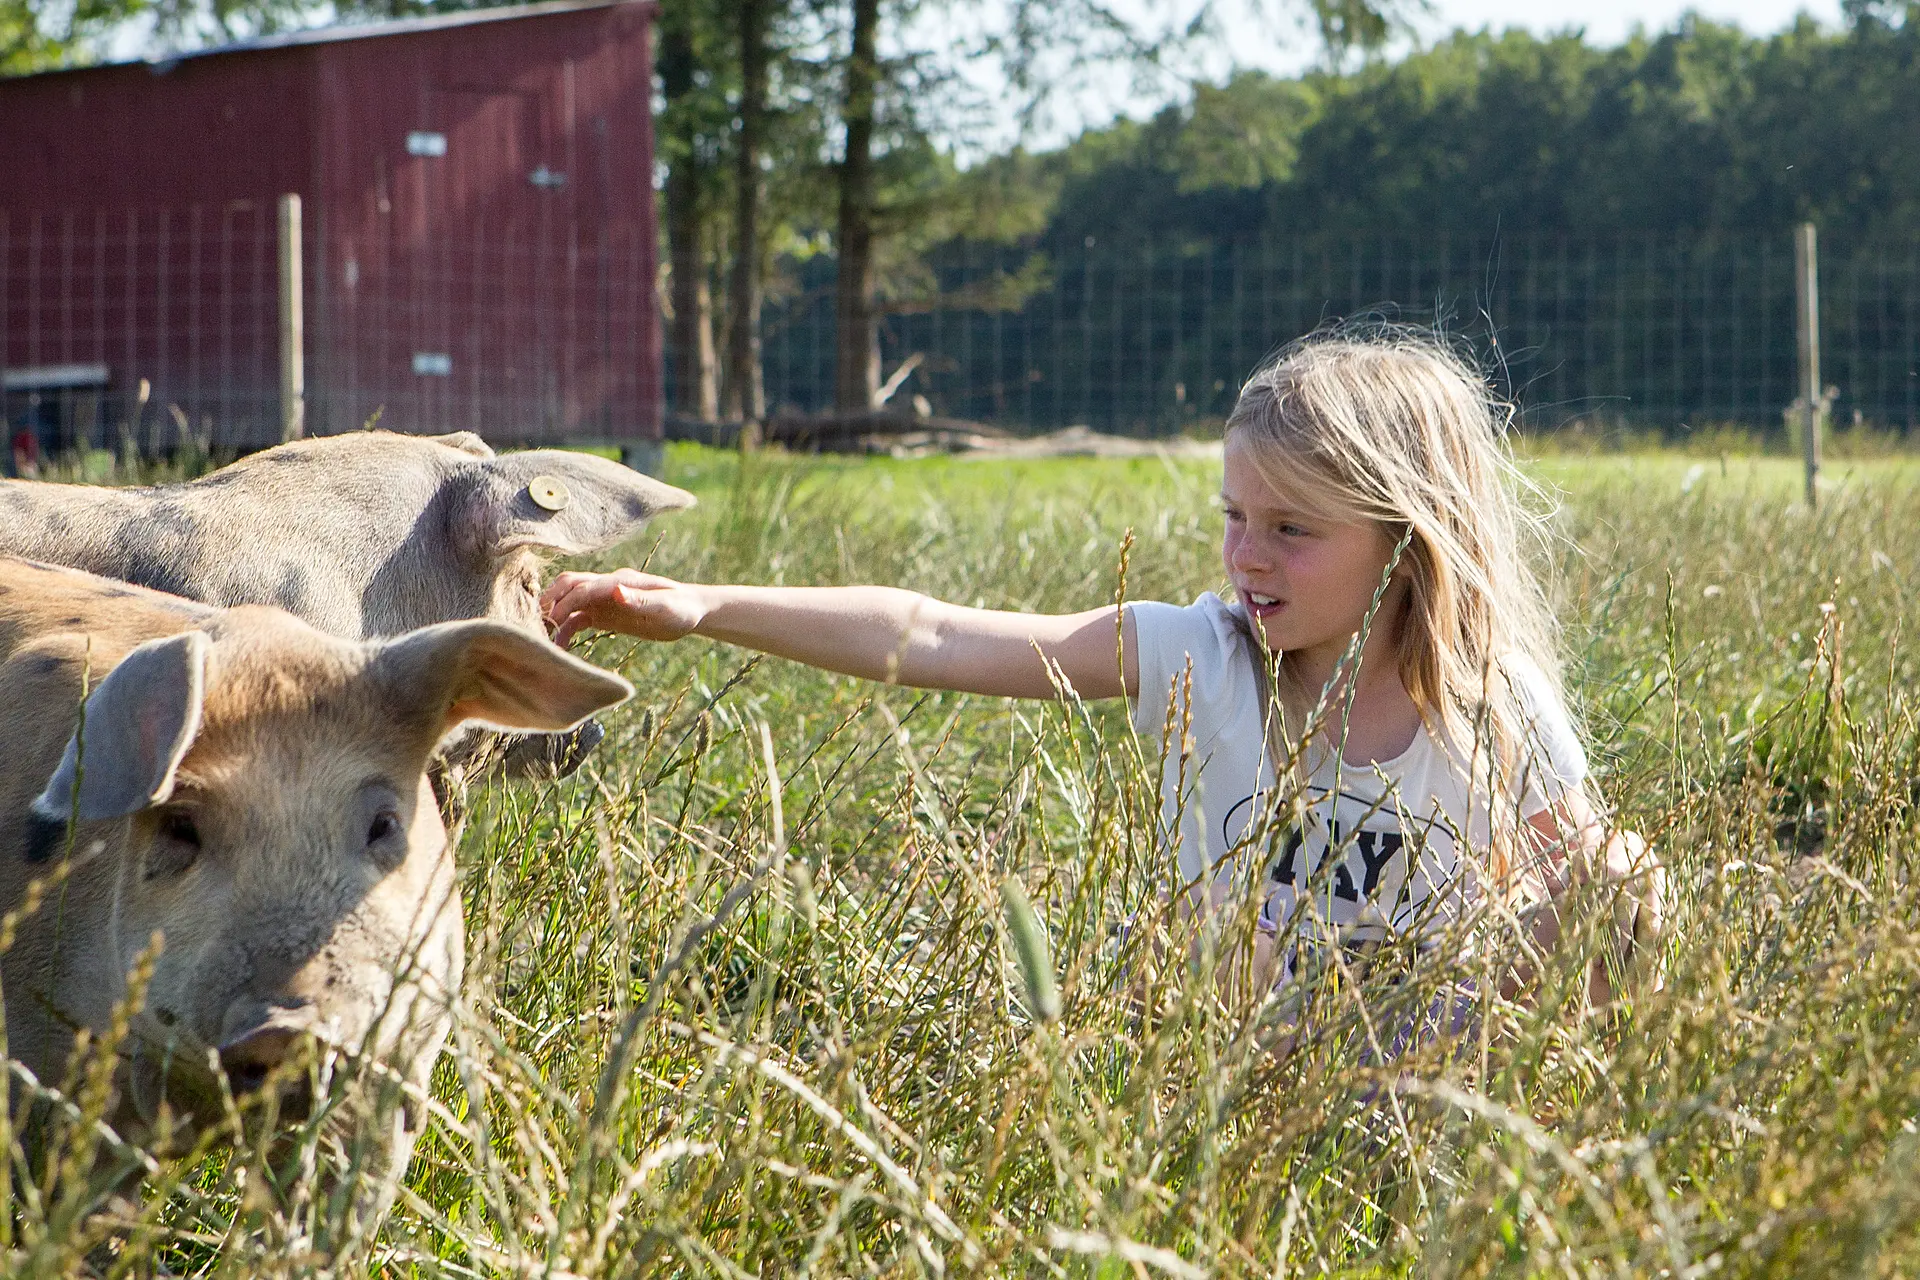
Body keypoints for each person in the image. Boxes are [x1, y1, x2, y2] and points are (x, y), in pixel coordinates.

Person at [542, 330, 1665, 1006]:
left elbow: (1581, 904)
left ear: (1407, 539)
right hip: (1237, 1037)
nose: (1245, 553)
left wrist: (1563, 938)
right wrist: (703, 608)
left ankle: (1534, 1149)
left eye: (1291, 529)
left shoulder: (1492, 704)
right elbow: (932, 632)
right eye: (1235, 516)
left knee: (1621, 871)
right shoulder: (1196, 656)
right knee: (1229, 934)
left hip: (1440, 1046)